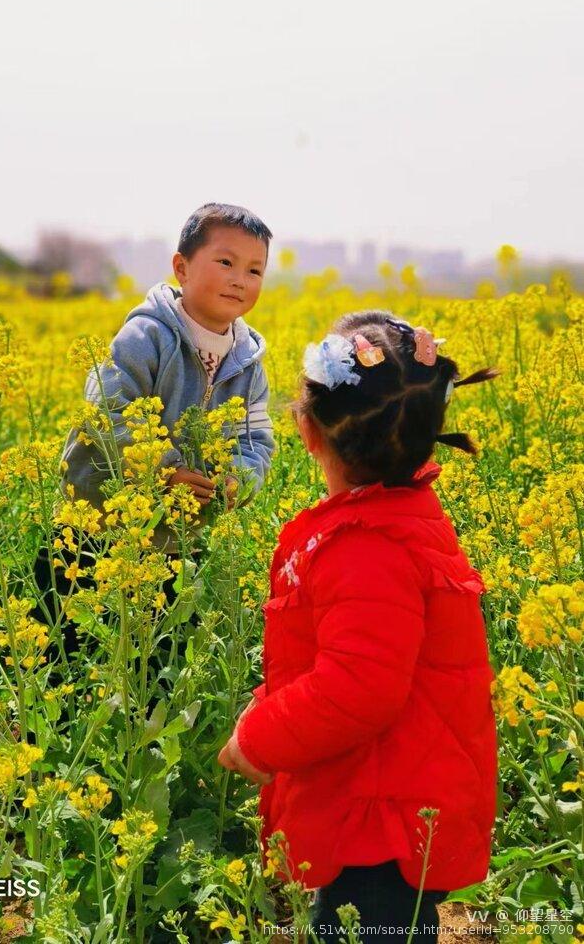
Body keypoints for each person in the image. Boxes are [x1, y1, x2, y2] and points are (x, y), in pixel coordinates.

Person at [218, 310, 499, 942]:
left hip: (384, 817)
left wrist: (260, 738)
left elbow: (359, 686)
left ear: (308, 431)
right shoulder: (403, 516)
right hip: (393, 793)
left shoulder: (365, 546)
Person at [33, 202, 276, 659]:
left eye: (254, 270)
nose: (239, 279)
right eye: (225, 262)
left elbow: (255, 440)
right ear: (181, 268)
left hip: (174, 542)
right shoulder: (145, 336)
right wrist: (163, 471)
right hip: (94, 530)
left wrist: (237, 480)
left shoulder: (248, 364)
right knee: (62, 654)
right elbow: (108, 409)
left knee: (152, 661)